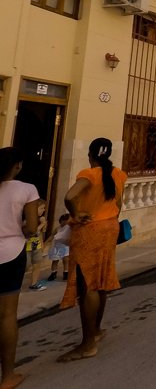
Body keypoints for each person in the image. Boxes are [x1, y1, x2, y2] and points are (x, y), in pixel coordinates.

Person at [58, 137, 127, 363]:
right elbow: (118, 204)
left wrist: (76, 214)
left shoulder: (89, 174)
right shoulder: (118, 174)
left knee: (87, 284)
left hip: (90, 230)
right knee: (101, 281)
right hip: (110, 227)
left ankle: (87, 344)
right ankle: (96, 330)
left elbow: (69, 196)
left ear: (91, 155)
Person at [0, 147, 39, 389]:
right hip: (11, 253)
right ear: (18, 166)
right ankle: (8, 376)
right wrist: (22, 229)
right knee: (6, 316)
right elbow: (33, 228)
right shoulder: (27, 189)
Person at [25, 203, 47, 292]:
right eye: (41, 208)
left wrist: (42, 244)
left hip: (36, 246)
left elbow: (40, 234)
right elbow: (31, 232)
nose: (44, 210)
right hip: (26, 247)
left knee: (37, 265)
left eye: (44, 208)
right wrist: (42, 224)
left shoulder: (41, 220)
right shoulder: (27, 220)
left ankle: (34, 284)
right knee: (25, 267)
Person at [47, 214, 71, 281]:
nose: (63, 222)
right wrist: (45, 244)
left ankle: (66, 273)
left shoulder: (69, 228)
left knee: (65, 260)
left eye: (65, 221)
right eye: (62, 221)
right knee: (55, 260)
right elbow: (51, 236)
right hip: (57, 246)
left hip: (65, 246)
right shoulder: (57, 228)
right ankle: (53, 273)